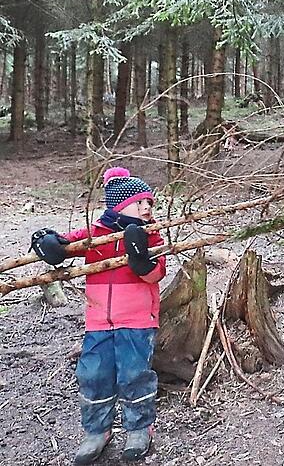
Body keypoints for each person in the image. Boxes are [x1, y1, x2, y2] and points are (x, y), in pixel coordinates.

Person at [31, 167, 166, 464]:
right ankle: (96, 431)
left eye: (150, 203)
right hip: (98, 322)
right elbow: (68, 242)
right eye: (140, 202)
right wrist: (51, 243)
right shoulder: (97, 234)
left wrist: (141, 262)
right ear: (118, 205)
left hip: (138, 320)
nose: (147, 207)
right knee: (94, 374)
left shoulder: (149, 234)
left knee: (134, 374)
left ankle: (140, 428)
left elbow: (157, 273)